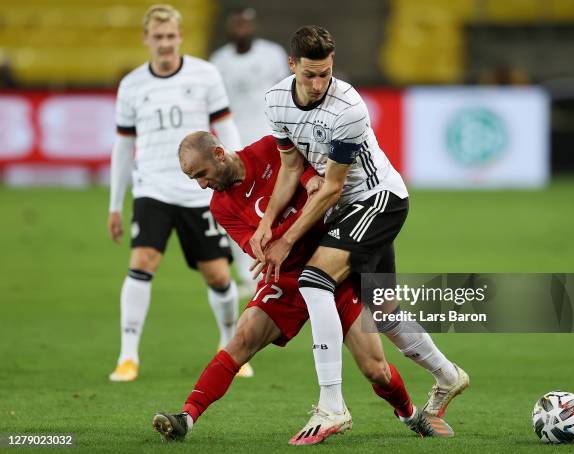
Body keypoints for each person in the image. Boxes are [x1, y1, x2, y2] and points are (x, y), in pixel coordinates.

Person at [151, 132, 454, 445]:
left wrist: (281, 232)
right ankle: (186, 417)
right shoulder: (221, 207)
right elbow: (262, 251)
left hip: (332, 265)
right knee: (241, 340)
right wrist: (286, 231)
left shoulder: (271, 148)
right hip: (288, 275)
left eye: (201, 174)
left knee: (375, 369)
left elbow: (320, 191)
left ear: (218, 154)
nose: (201, 184)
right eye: (193, 179)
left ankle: (410, 415)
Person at [250, 25, 469, 437]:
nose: (318, 84)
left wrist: (285, 240)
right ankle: (447, 375)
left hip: (378, 200)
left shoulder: (348, 106)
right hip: (347, 211)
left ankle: (331, 406)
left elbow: (332, 188)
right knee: (383, 312)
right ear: (292, 65)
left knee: (315, 280)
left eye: (325, 74)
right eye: (309, 74)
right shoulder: (276, 100)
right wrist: (266, 223)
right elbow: (291, 168)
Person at [107, 4, 252, 382]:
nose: (166, 44)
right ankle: (127, 356)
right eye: (158, 37)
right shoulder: (132, 85)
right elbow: (123, 147)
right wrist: (115, 204)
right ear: (146, 39)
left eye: (171, 36)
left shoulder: (205, 75)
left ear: (180, 37)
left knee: (218, 275)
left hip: (197, 194)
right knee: (143, 262)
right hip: (151, 188)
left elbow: (226, 127)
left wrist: (235, 174)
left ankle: (229, 344)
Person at [209, 7, 289, 297]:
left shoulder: (272, 54)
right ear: (230, 26)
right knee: (240, 213)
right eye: (237, 22)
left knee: (277, 206)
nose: (242, 28)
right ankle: (248, 274)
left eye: (246, 22)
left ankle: (284, 264)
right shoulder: (219, 62)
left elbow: (287, 92)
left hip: (271, 144)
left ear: (253, 24)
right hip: (235, 150)